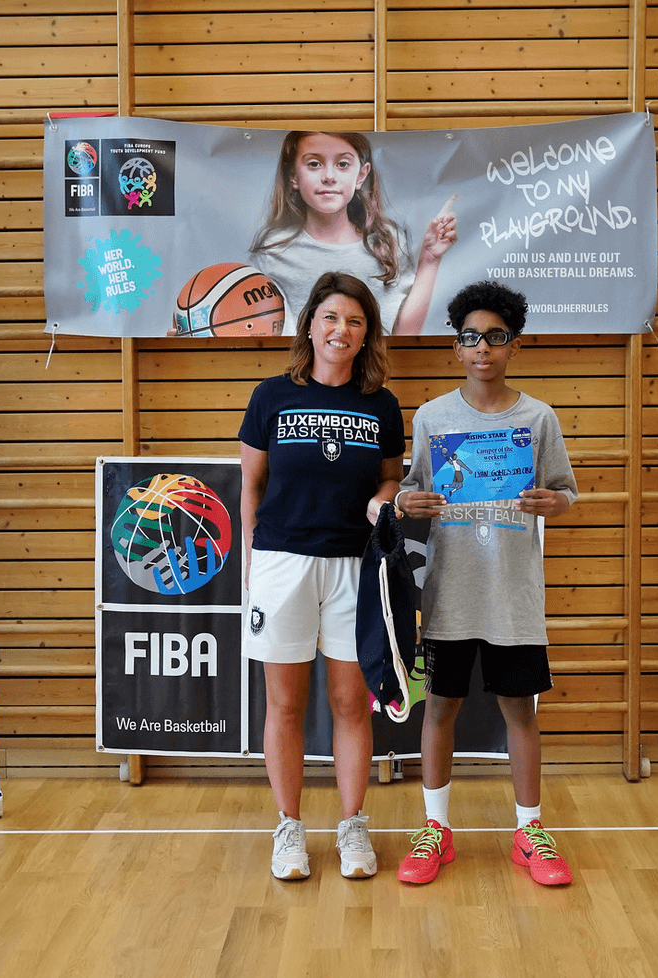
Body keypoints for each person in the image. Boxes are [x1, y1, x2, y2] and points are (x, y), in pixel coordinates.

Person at [393, 281, 578, 887]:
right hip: (450, 593)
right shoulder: (431, 417)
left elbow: (566, 492)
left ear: (513, 346)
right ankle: (435, 829)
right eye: (471, 337)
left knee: (519, 712)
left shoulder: (538, 418)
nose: (482, 348)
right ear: (457, 348)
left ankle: (530, 831)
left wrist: (553, 502)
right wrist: (407, 501)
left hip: (512, 596)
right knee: (440, 707)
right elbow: (411, 491)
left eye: (495, 337)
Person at [239, 271, 406, 880]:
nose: (342, 330)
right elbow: (251, 486)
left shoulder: (381, 404)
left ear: (366, 335)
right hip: (282, 562)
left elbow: (391, 478)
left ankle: (352, 825)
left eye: (355, 321)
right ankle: (289, 827)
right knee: (284, 703)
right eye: (331, 317)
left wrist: (382, 499)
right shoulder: (271, 396)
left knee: (350, 704)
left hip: (354, 567)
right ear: (310, 324)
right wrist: (254, 560)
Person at [249, 130, 457, 336]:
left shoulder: (387, 242)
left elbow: (404, 336)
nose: (329, 177)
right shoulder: (273, 251)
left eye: (342, 164)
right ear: (293, 176)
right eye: (314, 164)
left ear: (361, 175)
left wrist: (430, 260)